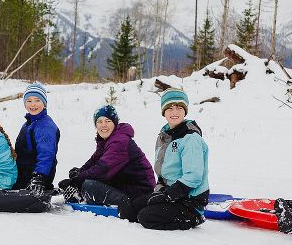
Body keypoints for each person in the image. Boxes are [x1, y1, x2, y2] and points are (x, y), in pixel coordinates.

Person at [123, 88, 209, 230]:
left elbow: (194, 176)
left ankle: (194, 218)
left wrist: (167, 196)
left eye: (179, 108)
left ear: (185, 111)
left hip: (188, 201)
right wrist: (159, 192)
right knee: (129, 210)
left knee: (145, 217)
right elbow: (163, 171)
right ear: (164, 111)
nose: (174, 112)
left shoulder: (191, 139)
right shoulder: (164, 137)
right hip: (169, 193)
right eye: (170, 108)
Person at [58, 105, 155, 208]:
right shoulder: (107, 140)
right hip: (123, 185)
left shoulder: (120, 141)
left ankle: (81, 197)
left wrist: (76, 181)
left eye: (108, 121)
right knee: (83, 182)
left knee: (89, 186)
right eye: (99, 122)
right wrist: (80, 172)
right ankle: (81, 195)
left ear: (115, 123)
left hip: (139, 193)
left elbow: (102, 169)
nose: (103, 125)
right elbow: (94, 161)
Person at [13, 82, 60, 201]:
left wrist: (39, 177)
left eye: (37, 100)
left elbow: (46, 154)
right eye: (29, 101)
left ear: (44, 103)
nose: (33, 104)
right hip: (23, 171)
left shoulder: (45, 126)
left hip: (36, 175)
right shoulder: (29, 123)